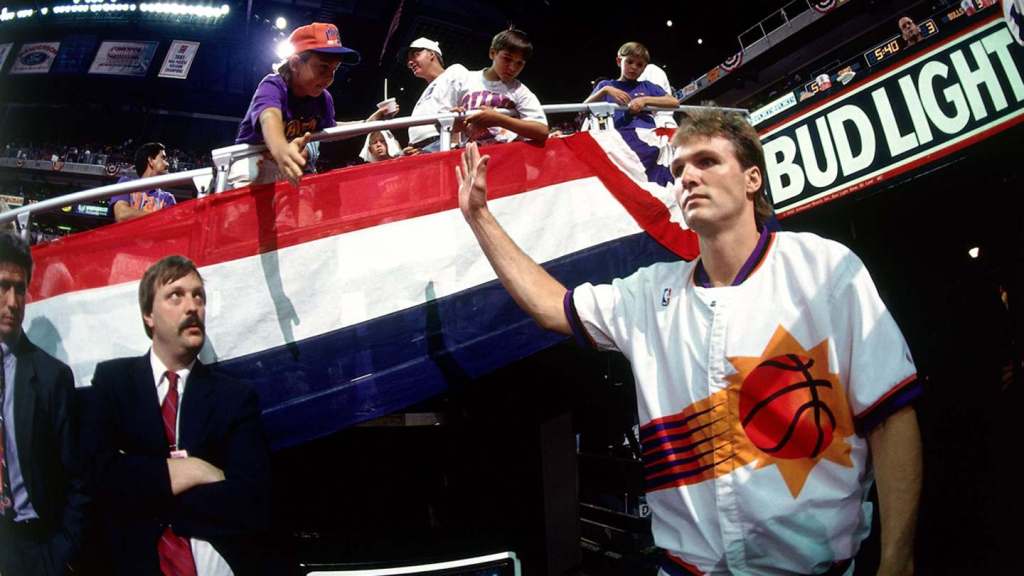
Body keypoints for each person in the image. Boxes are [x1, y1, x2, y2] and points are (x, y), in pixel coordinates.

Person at [455, 109, 922, 575]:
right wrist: (480, 217)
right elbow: (551, 305)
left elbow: (891, 417)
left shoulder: (823, 269)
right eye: (678, 169)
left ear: (752, 178)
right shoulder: (647, 294)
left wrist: (897, 561)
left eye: (707, 162)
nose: (688, 177)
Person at [86, 255, 273, 575]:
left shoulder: (236, 398)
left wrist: (141, 487)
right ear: (148, 315)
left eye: (198, 295)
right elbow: (97, 479)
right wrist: (196, 470)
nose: (192, 306)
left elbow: (252, 500)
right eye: (176, 295)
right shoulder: (112, 383)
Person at [0, 232, 88, 576]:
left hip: (34, 549)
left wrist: (60, 554)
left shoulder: (53, 377)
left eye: (19, 289)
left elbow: (77, 480)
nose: (11, 302)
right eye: (3, 286)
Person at [235, 22, 394, 186]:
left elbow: (330, 130)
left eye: (335, 69)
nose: (329, 77)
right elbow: (269, 116)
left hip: (289, 165)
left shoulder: (324, 98)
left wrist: (366, 124)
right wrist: (281, 149)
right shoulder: (273, 85)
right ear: (295, 64)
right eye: (323, 67)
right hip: (252, 160)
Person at [584, 42, 679, 184]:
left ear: (644, 68)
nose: (634, 67)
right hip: (618, 140)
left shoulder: (648, 86)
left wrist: (645, 100)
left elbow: (674, 102)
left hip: (647, 141)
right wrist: (605, 91)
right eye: (629, 62)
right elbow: (584, 107)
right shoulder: (605, 86)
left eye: (639, 65)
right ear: (618, 61)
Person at [454, 28, 547, 144]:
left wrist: (499, 119)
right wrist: (456, 123)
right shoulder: (464, 80)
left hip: (506, 156)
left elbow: (542, 131)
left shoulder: (519, 90)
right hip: (472, 155)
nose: (513, 68)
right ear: (492, 53)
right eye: (507, 59)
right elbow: (446, 126)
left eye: (519, 63)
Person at [403, 37, 470, 155]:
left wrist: (451, 144)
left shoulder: (454, 71)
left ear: (431, 54)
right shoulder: (425, 93)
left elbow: (466, 105)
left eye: (416, 55)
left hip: (442, 145)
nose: (410, 62)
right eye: (409, 60)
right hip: (422, 150)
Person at [109, 142, 177, 222]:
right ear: (151, 160)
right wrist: (160, 217)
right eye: (163, 158)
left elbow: (170, 225)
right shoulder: (126, 184)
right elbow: (122, 215)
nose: (168, 164)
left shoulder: (168, 198)